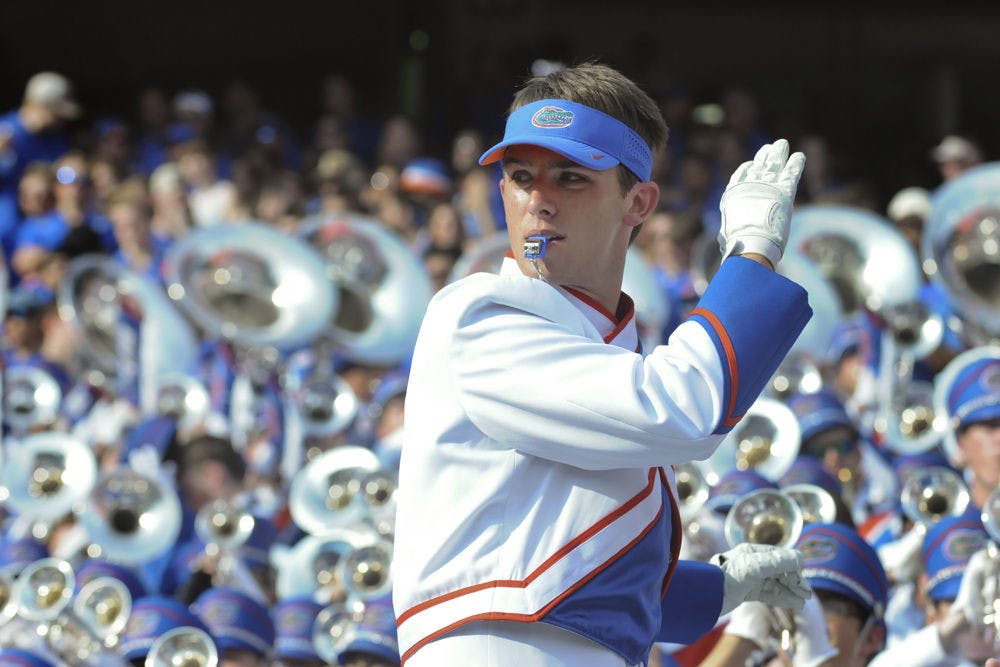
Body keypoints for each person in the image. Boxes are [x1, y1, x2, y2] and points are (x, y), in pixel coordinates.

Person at [392, 62, 814, 666]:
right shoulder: (478, 311)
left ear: (637, 202)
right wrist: (752, 254)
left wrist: (718, 587)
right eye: (519, 177)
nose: (538, 200)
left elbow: (571, 575)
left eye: (570, 178)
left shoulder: (609, 346)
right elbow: (681, 410)